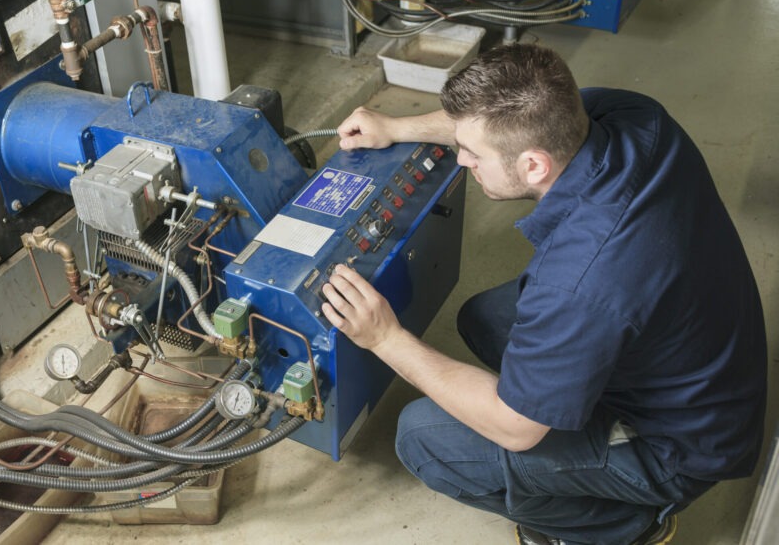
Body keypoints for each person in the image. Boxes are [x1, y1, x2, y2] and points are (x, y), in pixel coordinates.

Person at [322, 44, 766, 545]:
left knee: (425, 437)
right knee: (485, 318)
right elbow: (495, 126)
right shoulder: (634, 117)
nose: (460, 159)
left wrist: (385, 339)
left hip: (680, 442)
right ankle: (572, 411)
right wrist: (398, 127)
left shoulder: (579, 280)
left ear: (534, 166)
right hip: (702, 354)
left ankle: (623, 525)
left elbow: (516, 430)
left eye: (473, 155)